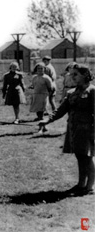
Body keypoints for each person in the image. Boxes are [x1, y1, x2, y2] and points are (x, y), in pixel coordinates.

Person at [39, 64, 94, 196]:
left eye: (75, 74)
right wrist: (48, 120)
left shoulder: (92, 91)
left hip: (88, 130)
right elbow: (61, 110)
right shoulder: (71, 93)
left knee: (88, 157)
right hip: (74, 129)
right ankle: (81, 184)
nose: (72, 77)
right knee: (80, 156)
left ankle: (90, 187)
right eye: (71, 74)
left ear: (85, 75)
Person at [29, 63, 53, 132]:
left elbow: (50, 88)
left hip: (43, 95)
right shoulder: (34, 77)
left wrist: (48, 95)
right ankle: (42, 126)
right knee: (38, 111)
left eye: (41, 68)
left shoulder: (46, 78)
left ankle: (42, 127)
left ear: (44, 69)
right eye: (38, 68)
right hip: (36, 95)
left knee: (42, 111)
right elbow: (33, 85)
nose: (40, 70)